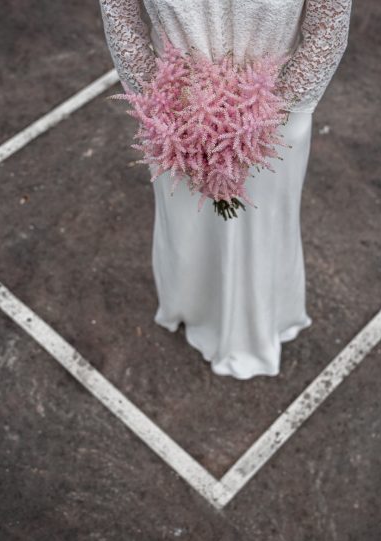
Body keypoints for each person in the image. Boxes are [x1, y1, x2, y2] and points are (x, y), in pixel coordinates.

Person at [99, 0, 352, 379]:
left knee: (261, 229)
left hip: (275, 122)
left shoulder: (270, 117)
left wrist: (258, 119)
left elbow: (328, 27)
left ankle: (258, 319)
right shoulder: (173, 118)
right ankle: (191, 304)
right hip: (177, 119)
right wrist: (162, 105)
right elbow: (120, 16)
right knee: (188, 226)